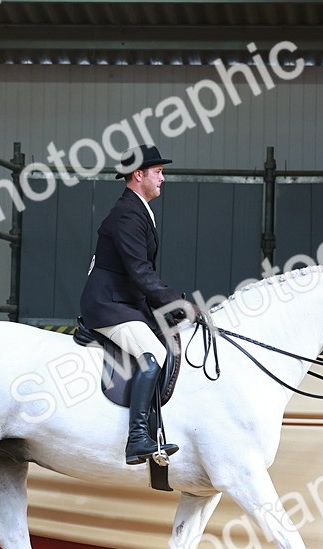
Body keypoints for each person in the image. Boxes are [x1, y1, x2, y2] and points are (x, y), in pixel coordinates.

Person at [79, 144, 197, 465]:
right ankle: (138, 438)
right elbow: (140, 271)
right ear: (139, 174)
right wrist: (176, 302)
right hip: (109, 304)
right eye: (158, 172)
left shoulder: (138, 209)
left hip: (125, 300)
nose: (163, 179)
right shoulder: (128, 213)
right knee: (154, 355)